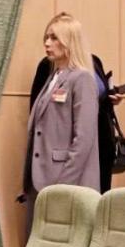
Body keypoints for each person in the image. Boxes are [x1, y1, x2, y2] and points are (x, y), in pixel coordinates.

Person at [23, 13, 101, 224]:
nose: (47, 43)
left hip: (65, 182)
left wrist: (63, 185)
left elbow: (83, 139)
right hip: (40, 180)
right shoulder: (53, 77)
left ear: (69, 41)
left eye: (54, 38)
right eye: (46, 37)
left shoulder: (82, 79)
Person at [29, 48, 120, 194]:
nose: (47, 43)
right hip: (68, 147)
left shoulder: (94, 61)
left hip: (101, 142)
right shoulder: (49, 65)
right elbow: (37, 111)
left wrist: (112, 98)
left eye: (53, 38)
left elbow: (99, 97)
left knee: (96, 196)